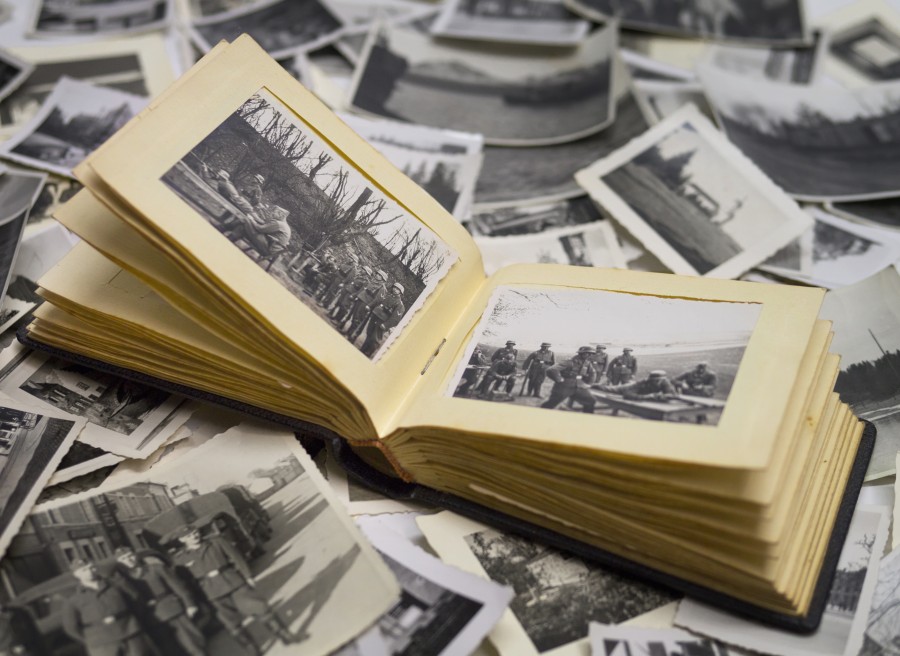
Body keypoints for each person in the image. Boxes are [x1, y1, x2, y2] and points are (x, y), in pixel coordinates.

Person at [173, 528, 295, 656]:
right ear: (182, 540)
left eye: (195, 532)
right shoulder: (180, 559)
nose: (194, 536)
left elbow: (237, 558)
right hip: (212, 593)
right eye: (189, 536)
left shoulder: (216, 542)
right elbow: (185, 583)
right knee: (232, 625)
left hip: (233, 582)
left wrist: (247, 576)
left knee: (260, 608)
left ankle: (284, 635)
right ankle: (253, 651)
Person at [113, 547, 205, 656]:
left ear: (136, 555)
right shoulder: (123, 581)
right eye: (123, 559)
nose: (129, 560)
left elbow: (178, 586)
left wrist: (190, 604)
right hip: (152, 620)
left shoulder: (156, 568)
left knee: (193, 646)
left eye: (130, 556)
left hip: (172, 611)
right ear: (119, 563)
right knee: (171, 651)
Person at [61, 558, 155, 656]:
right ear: (76, 574)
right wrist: (91, 638)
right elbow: (71, 627)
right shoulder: (74, 600)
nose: (89, 572)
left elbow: (136, 601)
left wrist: (131, 621)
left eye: (91, 568)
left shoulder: (116, 584)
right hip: (102, 644)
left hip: (130, 633)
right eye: (84, 570)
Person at [541, 346, 598, 413]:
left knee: (590, 401)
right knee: (551, 403)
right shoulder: (569, 362)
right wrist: (559, 379)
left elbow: (593, 373)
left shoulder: (587, 363)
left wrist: (588, 383)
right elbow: (551, 370)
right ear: (581, 353)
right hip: (564, 386)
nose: (590, 355)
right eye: (588, 353)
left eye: (591, 354)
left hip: (579, 386)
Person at [361, 282, 406, 357]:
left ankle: (369, 352)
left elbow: (395, 319)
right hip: (376, 315)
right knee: (369, 332)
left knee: (376, 338)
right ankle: (363, 349)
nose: (395, 289)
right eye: (394, 287)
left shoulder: (400, 305)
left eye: (398, 289)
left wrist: (386, 325)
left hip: (383, 320)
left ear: (400, 293)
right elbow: (378, 301)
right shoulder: (387, 295)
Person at [607, 370, 677, 402]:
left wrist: (662, 396)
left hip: (640, 392)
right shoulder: (643, 383)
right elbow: (627, 395)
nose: (657, 381)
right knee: (608, 389)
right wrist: (647, 397)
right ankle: (596, 385)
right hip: (628, 387)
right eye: (655, 380)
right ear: (650, 379)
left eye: (659, 380)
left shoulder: (665, 381)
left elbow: (672, 394)